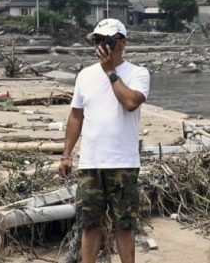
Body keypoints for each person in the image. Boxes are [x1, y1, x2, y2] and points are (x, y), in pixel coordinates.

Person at [59, 18, 150, 263]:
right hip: (90, 163)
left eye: (106, 40)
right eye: (97, 40)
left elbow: (131, 102)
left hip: (122, 163)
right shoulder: (85, 76)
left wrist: (111, 71)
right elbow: (76, 116)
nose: (101, 45)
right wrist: (67, 154)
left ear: (122, 43)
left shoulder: (138, 73)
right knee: (89, 224)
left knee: (125, 224)